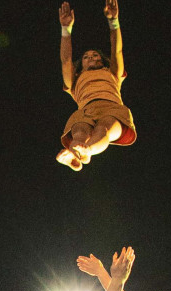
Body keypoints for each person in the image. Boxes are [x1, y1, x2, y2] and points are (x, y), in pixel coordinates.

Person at [56, 0, 137, 171]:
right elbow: (65, 60)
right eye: (86, 57)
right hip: (85, 110)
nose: (91, 57)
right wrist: (66, 29)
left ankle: (87, 152)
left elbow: (117, 51)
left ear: (101, 60)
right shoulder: (75, 80)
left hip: (112, 109)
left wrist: (114, 22)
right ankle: (75, 158)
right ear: (81, 63)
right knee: (79, 131)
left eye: (95, 55)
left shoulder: (112, 73)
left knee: (103, 128)